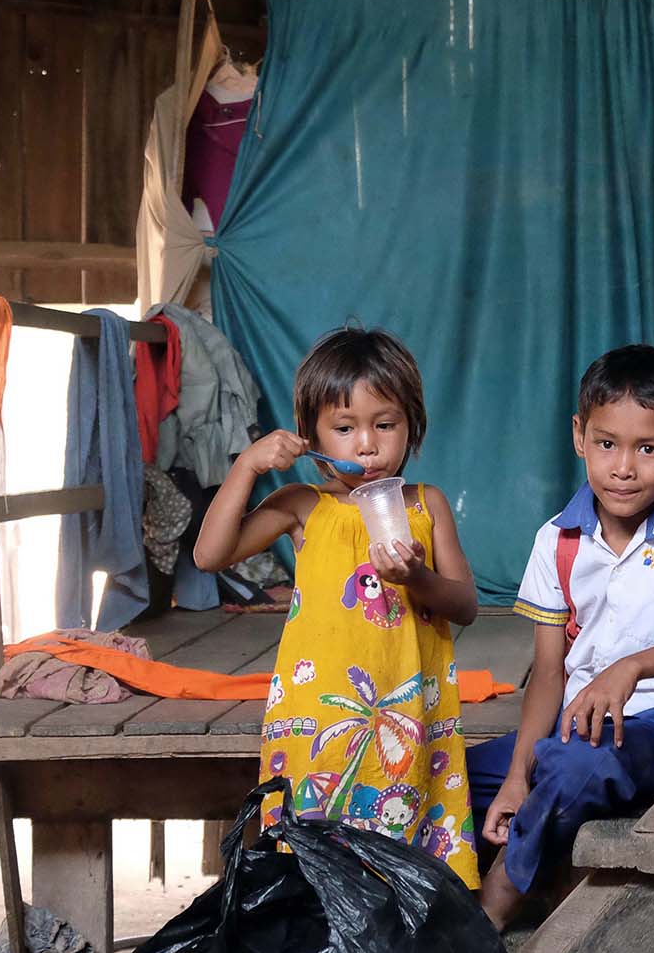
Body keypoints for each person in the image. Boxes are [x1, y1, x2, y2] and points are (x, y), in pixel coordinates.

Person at [468, 345, 654, 928]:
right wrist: (517, 778)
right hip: (572, 731)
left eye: (648, 448)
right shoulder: (557, 540)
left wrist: (628, 670)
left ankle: (498, 899)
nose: (623, 467)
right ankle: (430, 902)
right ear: (580, 437)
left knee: (577, 769)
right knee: (448, 776)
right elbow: (549, 674)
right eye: (607, 444)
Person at [194, 326, 481, 887]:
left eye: (385, 425)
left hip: (408, 722)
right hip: (320, 728)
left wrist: (417, 577)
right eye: (344, 428)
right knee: (317, 872)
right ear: (312, 437)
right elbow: (211, 554)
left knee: (403, 863)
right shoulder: (303, 507)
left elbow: (466, 604)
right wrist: (247, 466)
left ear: (412, 426)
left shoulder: (427, 506)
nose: (366, 445)